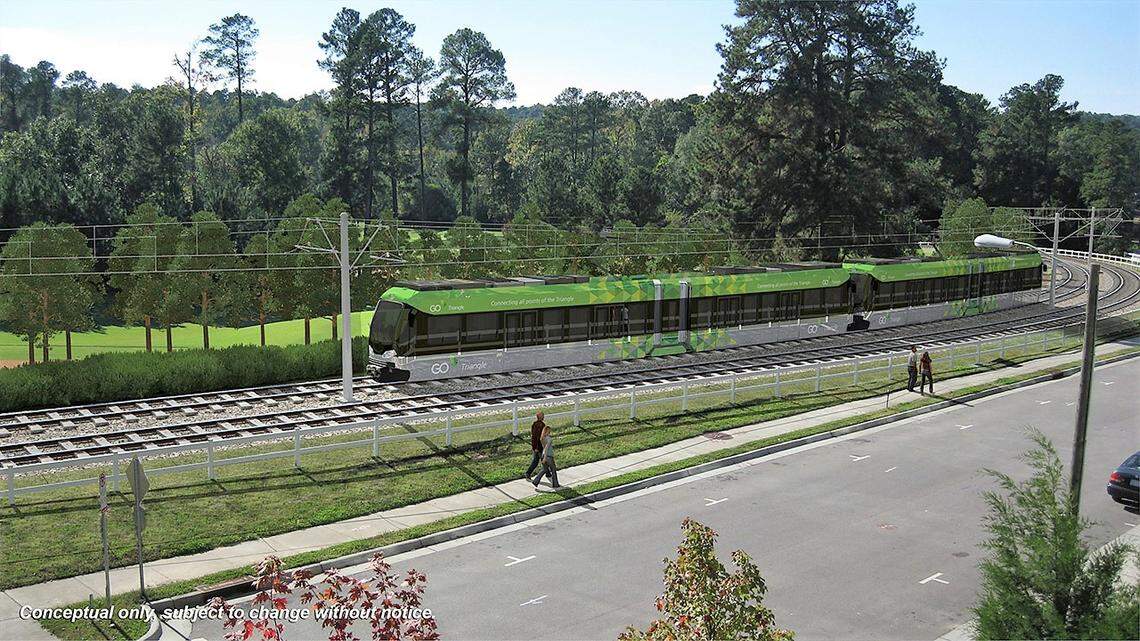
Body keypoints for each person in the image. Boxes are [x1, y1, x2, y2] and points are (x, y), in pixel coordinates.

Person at [531, 423, 559, 489]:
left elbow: (544, 448)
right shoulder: (549, 439)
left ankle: (535, 481)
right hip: (548, 456)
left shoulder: (542, 439)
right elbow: (546, 448)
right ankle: (555, 484)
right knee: (553, 470)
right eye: (549, 431)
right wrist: (545, 458)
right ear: (547, 431)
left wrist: (543, 457)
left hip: (543, 455)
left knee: (544, 469)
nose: (550, 432)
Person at [524, 411, 546, 479]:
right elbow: (537, 437)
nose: (544, 417)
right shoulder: (541, 425)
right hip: (539, 446)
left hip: (537, 446)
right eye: (542, 415)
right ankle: (528, 473)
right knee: (537, 461)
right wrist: (536, 447)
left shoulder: (534, 424)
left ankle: (548, 473)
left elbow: (534, 437)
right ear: (540, 417)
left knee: (542, 460)